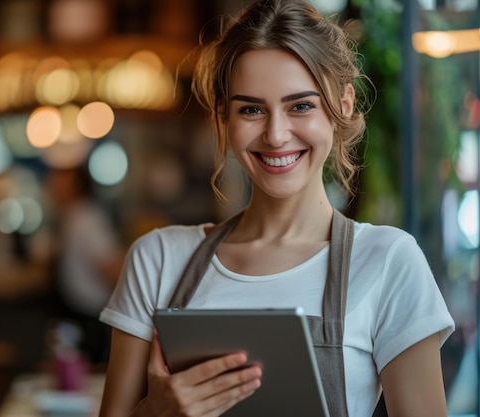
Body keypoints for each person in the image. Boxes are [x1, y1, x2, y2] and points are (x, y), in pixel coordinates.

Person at [98, 1, 455, 416]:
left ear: (342, 103)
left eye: (300, 105)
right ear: (223, 118)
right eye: (250, 109)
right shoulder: (157, 260)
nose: (276, 134)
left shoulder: (388, 261)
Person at [46, 167, 125, 364]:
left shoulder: (88, 219)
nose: (51, 184)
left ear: (74, 186)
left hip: (90, 316)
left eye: (58, 180)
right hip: (76, 312)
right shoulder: (70, 216)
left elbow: (111, 268)